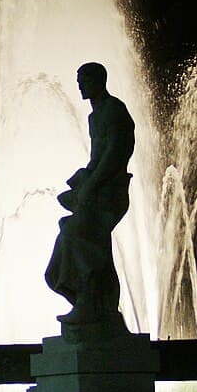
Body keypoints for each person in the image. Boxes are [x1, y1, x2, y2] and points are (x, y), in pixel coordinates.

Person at [45, 62, 136, 331]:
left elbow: (116, 155)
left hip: (111, 192)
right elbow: (97, 159)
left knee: (76, 232)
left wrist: (90, 185)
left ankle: (90, 299)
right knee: (76, 237)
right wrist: (81, 180)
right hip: (96, 189)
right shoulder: (94, 117)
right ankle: (93, 304)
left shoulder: (114, 110)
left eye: (83, 81)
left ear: (98, 80)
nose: (80, 86)